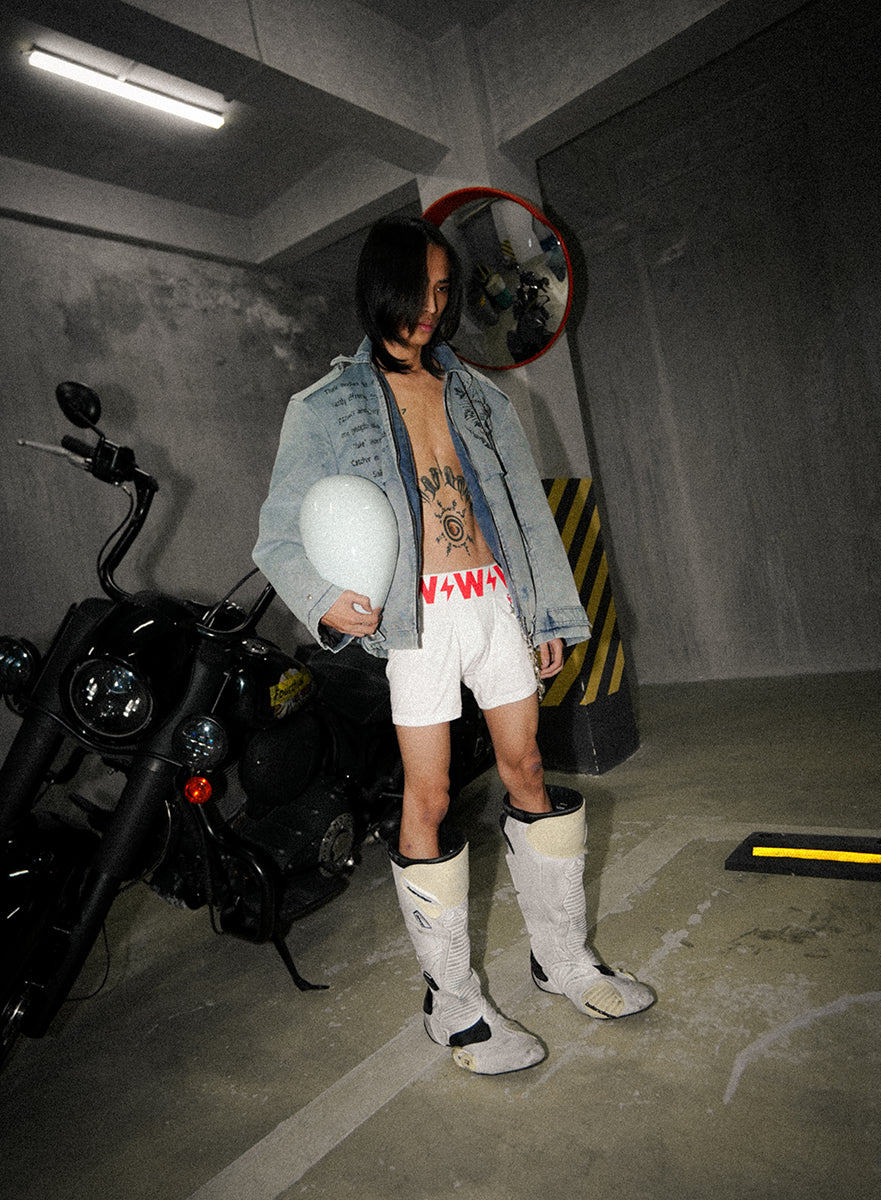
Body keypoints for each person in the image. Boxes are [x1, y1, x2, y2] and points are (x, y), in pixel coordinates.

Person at [253, 215, 654, 1075]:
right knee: (428, 796)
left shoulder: (477, 394)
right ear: (381, 289)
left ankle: (562, 959)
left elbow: (528, 510)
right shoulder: (324, 407)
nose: (433, 308)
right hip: (416, 620)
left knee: (528, 770)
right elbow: (277, 536)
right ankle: (453, 1003)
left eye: (444, 291)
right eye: (420, 290)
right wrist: (324, 601)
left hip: (495, 600)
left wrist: (550, 614)